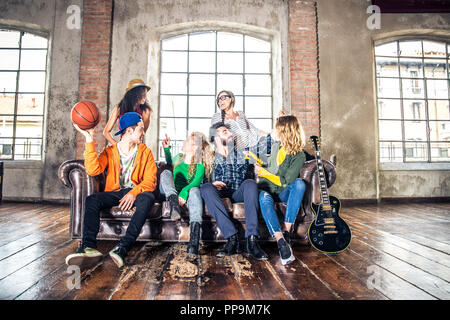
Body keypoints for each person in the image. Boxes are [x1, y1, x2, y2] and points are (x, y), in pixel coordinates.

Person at [66, 112, 158, 269]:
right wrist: (89, 140)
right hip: (116, 192)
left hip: (137, 192)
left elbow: (150, 181)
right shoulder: (109, 151)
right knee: (92, 200)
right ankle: (88, 247)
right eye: (141, 129)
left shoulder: (145, 152)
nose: (143, 133)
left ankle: (122, 248)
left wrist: (133, 193)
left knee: (148, 198)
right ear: (129, 131)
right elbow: (94, 170)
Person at [200, 122, 268, 260]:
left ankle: (252, 241)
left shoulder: (242, 155)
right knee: (205, 188)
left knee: (250, 183)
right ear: (216, 138)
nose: (230, 134)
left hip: (237, 193)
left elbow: (265, 146)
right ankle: (232, 238)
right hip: (218, 194)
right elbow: (200, 180)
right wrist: (212, 183)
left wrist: (256, 166)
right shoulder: (208, 158)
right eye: (225, 132)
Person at [256, 115, 307, 265]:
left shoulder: (299, 155)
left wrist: (263, 172)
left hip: (283, 192)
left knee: (299, 184)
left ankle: (287, 231)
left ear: (285, 131)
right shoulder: (276, 147)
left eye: (277, 128)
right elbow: (267, 166)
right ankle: (281, 242)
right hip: (268, 190)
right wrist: (254, 159)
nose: (274, 131)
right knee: (263, 196)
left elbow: (285, 182)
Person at [159, 132, 214, 255]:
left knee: (194, 190)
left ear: (194, 147)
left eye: (187, 141)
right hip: (168, 191)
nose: (184, 142)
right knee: (165, 173)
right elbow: (169, 164)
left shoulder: (200, 166)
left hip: (186, 194)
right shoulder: (178, 157)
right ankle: (173, 204)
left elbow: (195, 183)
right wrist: (167, 149)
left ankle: (194, 242)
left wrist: (184, 192)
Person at [211, 90, 271, 157]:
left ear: (231, 99)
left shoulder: (240, 114)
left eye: (222, 98)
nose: (220, 101)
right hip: (239, 152)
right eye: (218, 100)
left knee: (273, 140)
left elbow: (254, 130)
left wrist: (270, 135)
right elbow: (217, 137)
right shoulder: (217, 117)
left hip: (253, 146)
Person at [103, 78, 152, 145]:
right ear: (134, 94)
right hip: (123, 146)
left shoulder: (146, 111)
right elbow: (106, 132)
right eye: (142, 95)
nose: (144, 98)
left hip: (137, 148)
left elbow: (142, 134)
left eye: (145, 95)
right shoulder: (119, 108)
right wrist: (117, 147)